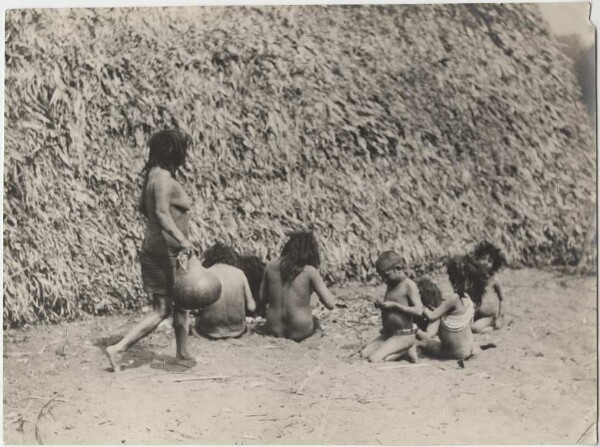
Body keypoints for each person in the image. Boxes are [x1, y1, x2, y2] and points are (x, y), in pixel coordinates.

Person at [106, 129, 194, 371]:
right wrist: (182, 240)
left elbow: (145, 208)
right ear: (173, 152)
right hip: (164, 252)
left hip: (161, 249)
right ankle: (119, 348)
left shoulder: (152, 176)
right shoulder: (164, 178)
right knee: (162, 310)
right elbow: (161, 213)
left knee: (181, 300)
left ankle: (183, 352)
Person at [263, 232, 335, 342]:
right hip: (300, 331)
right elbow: (330, 304)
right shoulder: (309, 271)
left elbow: (261, 298)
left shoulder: (270, 266)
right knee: (316, 322)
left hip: (274, 328)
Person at [360, 251, 423, 363]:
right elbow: (391, 304)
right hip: (389, 333)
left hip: (404, 335)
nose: (383, 280)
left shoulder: (409, 285)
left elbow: (419, 311)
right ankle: (399, 350)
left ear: (398, 268)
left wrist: (395, 306)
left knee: (374, 359)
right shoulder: (391, 283)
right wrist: (381, 305)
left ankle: (405, 350)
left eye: (386, 275)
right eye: (381, 276)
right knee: (364, 353)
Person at [419, 255, 485, 360]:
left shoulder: (454, 298)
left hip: (454, 352)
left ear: (452, 279)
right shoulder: (468, 298)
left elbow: (432, 317)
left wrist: (422, 308)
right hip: (468, 348)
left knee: (423, 344)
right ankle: (475, 349)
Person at [193, 243, 256, 339]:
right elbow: (251, 307)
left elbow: (196, 309)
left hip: (210, 331)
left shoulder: (204, 274)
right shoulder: (239, 274)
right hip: (238, 330)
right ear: (230, 257)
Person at [470, 241, 507, 333]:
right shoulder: (473, 278)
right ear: (477, 259)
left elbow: (502, 299)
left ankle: (492, 326)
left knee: (475, 328)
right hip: (474, 313)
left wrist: (500, 316)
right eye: (483, 259)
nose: (486, 263)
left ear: (494, 265)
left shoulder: (493, 279)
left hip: (488, 316)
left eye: (490, 261)